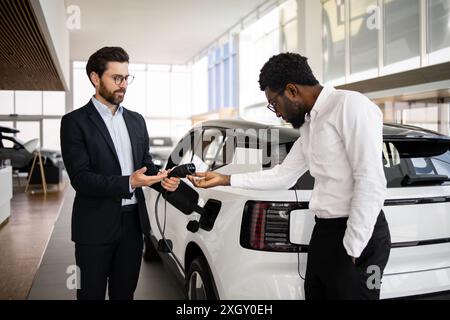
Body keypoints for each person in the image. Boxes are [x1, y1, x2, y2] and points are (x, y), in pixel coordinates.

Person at [188, 52, 391, 300]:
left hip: (357, 235)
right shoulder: (310, 125)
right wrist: (226, 179)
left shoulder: (350, 105)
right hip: (325, 232)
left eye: (274, 102)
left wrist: (351, 248)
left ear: (292, 90)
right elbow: (283, 176)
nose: (277, 113)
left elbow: (370, 181)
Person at [60, 47, 180, 300]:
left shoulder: (137, 121)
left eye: (126, 78)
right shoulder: (74, 122)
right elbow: (81, 179)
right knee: (90, 294)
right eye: (117, 78)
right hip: (94, 226)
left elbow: (145, 165)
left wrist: (163, 179)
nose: (123, 84)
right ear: (95, 78)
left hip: (132, 225)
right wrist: (129, 182)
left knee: (124, 294)